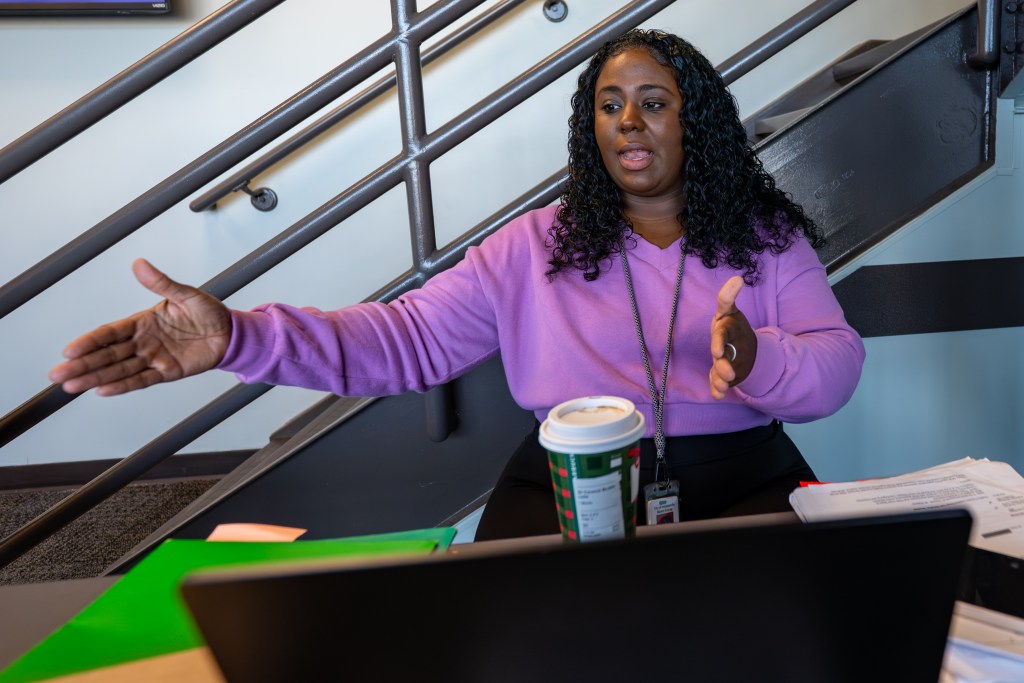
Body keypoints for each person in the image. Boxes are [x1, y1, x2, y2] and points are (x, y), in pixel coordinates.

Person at [49, 30, 865, 541]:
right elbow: (403, 341)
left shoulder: (765, 237)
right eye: (609, 105)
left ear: (701, 123)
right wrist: (239, 336)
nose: (627, 121)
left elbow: (836, 364)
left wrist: (757, 357)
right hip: (568, 478)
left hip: (740, 473)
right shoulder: (531, 247)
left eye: (654, 102)